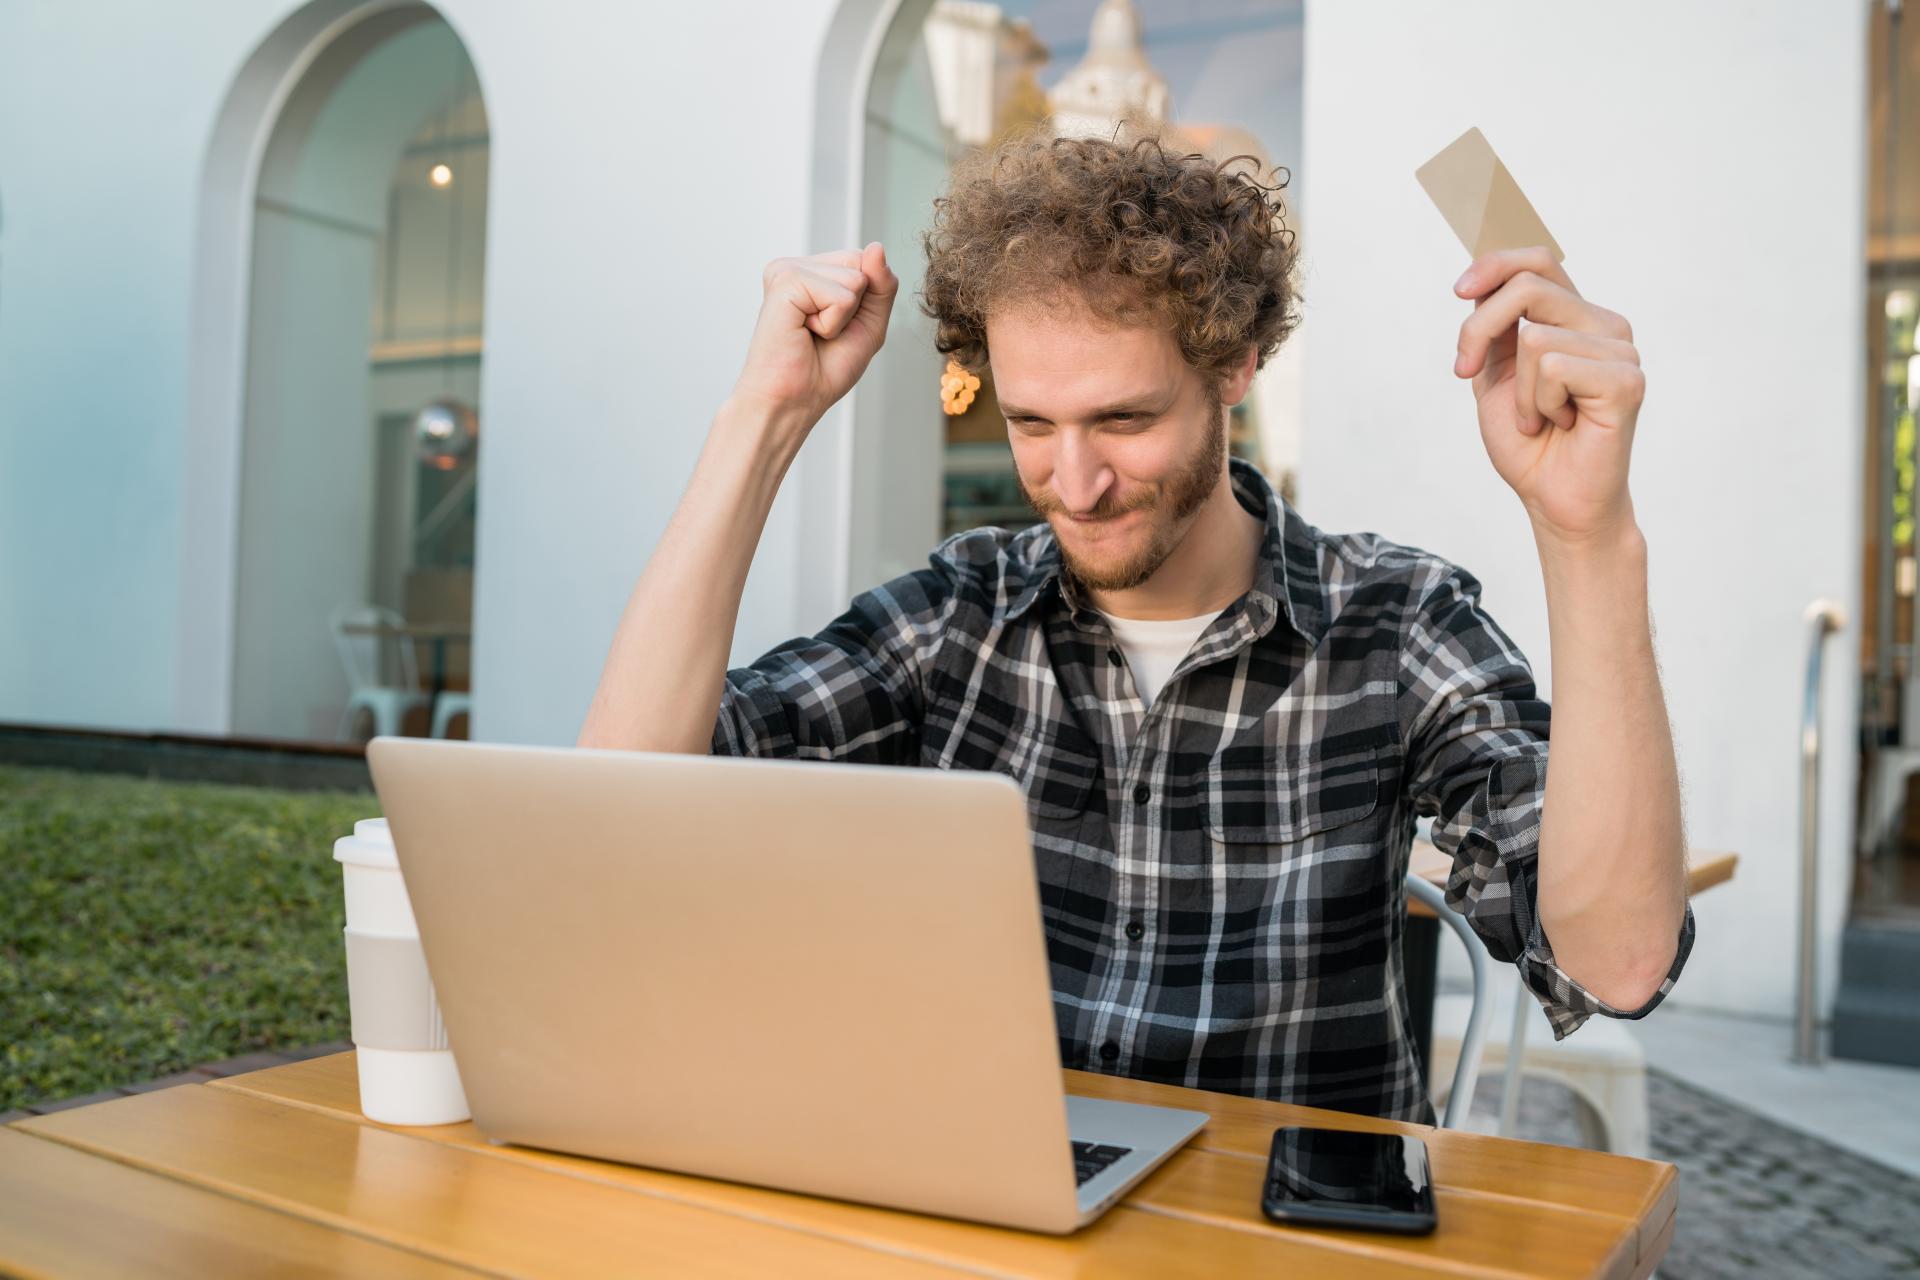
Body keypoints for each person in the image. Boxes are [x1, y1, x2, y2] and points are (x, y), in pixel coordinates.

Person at [578, 130, 1693, 1123]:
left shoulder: (1390, 622)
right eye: (1030, 423)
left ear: (1234, 368)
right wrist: (761, 420)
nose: (1075, 481)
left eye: (1123, 417)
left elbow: (1618, 961)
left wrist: (1588, 536)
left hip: (1271, 1247)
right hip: (990, 1222)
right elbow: (622, 812)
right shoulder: (956, 616)